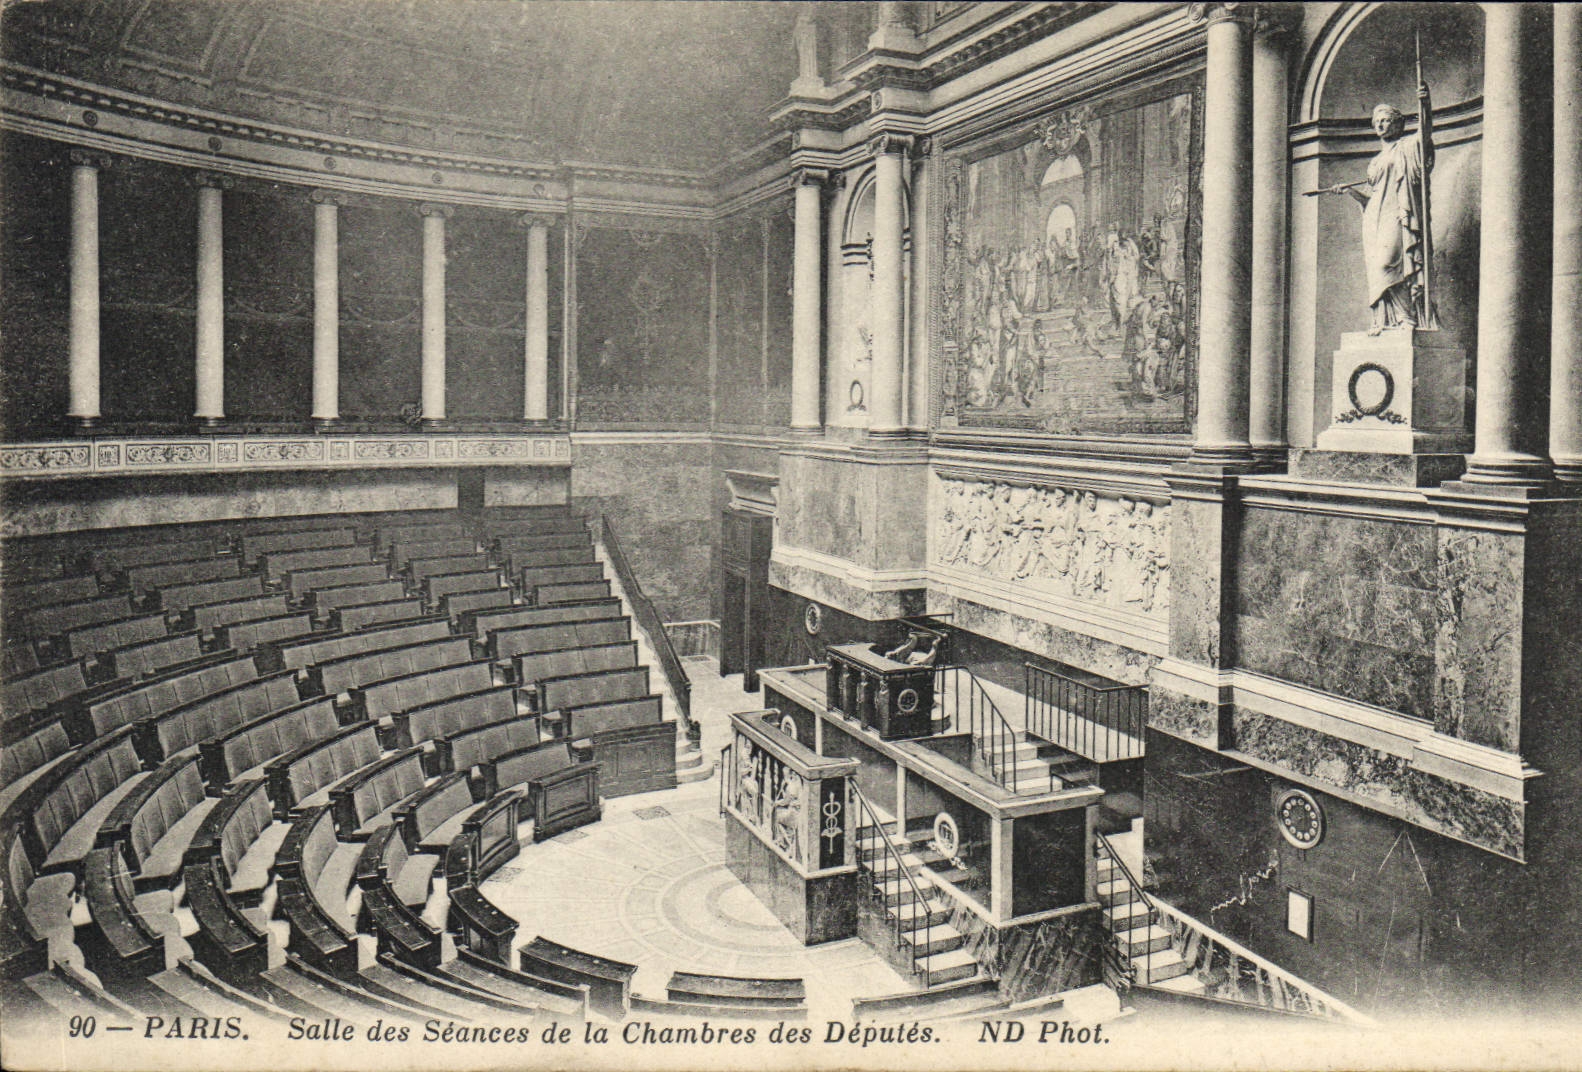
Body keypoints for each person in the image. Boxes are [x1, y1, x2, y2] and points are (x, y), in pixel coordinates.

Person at [1326, 81, 1435, 334]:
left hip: (1398, 214)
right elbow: (1370, 198)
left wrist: (1425, 104)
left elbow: (1426, 134)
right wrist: (1349, 191)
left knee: (1389, 263)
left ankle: (1407, 318)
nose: (1380, 125)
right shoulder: (1374, 162)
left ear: (1398, 123)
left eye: (1385, 120)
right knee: (1378, 268)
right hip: (1374, 218)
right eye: (1377, 121)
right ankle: (1386, 321)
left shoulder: (1407, 147)